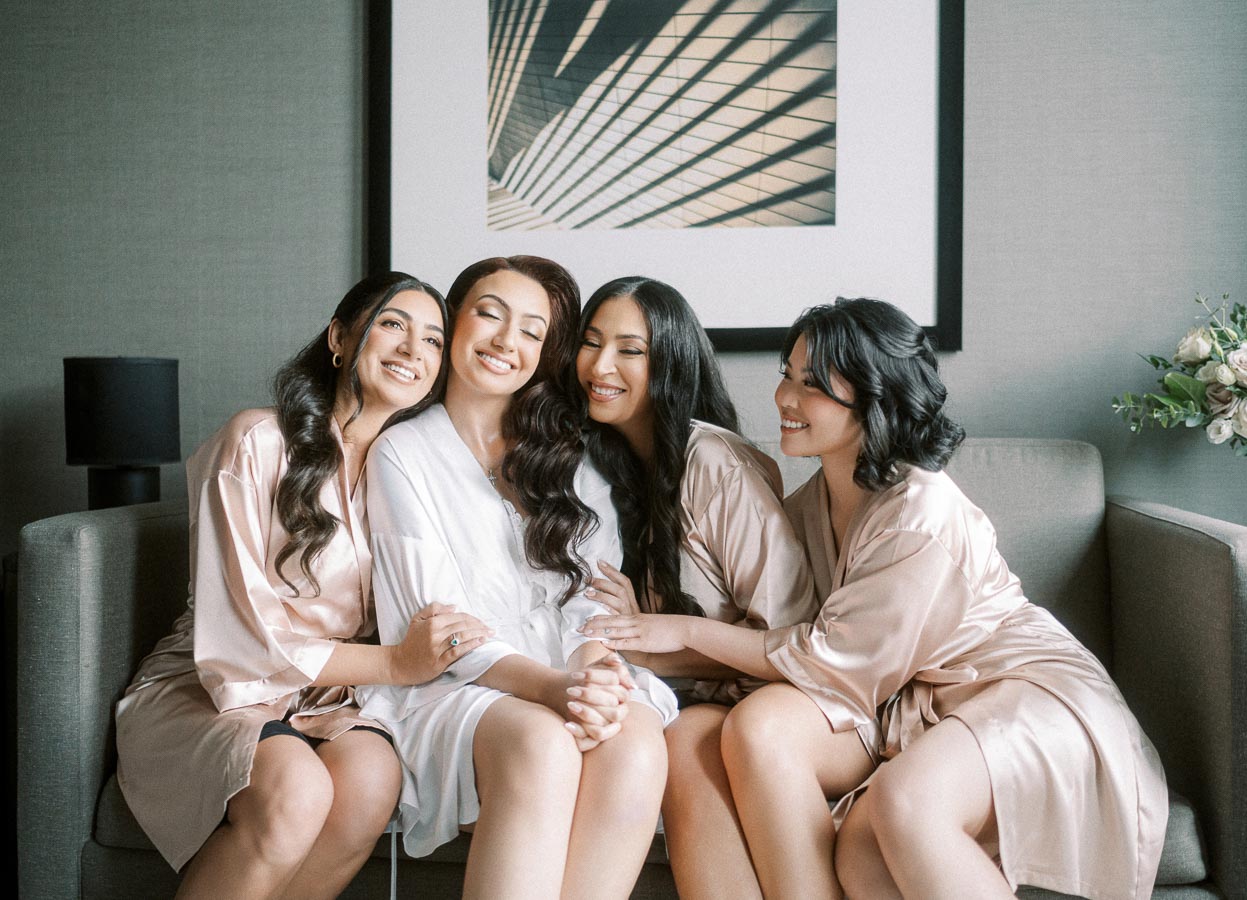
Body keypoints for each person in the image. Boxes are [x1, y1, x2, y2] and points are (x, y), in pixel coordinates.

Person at [584, 298, 1169, 900]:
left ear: (874, 398)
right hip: (912, 707)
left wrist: (681, 632)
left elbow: (831, 663)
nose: (785, 397)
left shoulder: (921, 512)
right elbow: (795, 633)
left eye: (812, 385)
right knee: (862, 852)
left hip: (1019, 688)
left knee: (906, 805)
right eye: (787, 373)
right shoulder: (815, 501)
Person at [116, 273, 493, 899]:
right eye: (393, 325)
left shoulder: (411, 473)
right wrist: (399, 664)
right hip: (212, 683)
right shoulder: (257, 441)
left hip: (329, 698)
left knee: (372, 780)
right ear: (340, 337)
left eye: (433, 339)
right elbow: (241, 635)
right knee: (297, 789)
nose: (412, 350)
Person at [355, 257, 677, 899]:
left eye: (532, 330)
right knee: (541, 742)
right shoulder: (403, 453)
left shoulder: (571, 454)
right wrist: (554, 689)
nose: (508, 342)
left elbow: (596, 590)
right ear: (455, 322)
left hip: (570, 670)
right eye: (490, 314)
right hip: (460, 687)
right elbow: (439, 628)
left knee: (634, 735)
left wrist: (592, 672)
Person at [574, 276, 817, 898]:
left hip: (766, 692)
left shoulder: (713, 464)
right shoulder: (600, 463)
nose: (601, 365)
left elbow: (790, 637)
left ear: (671, 362)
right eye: (591, 342)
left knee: (683, 744)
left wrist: (650, 646)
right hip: (669, 692)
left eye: (631, 350)